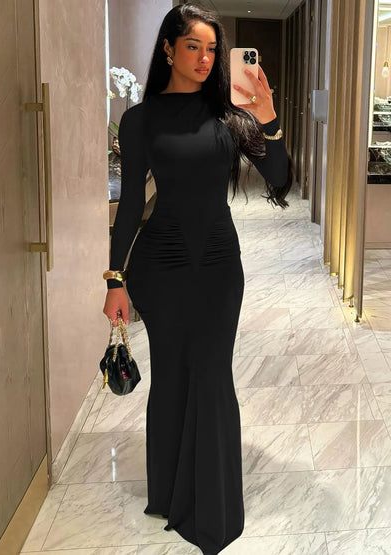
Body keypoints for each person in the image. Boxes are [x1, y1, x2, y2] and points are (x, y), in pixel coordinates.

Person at [103, 4, 293, 554]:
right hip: (159, 267)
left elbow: (280, 180)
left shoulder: (230, 116)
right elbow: (131, 203)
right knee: (170, 377)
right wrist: (115, 279)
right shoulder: (140, 121)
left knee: (210, 374)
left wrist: (268, 116)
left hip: (217, 266)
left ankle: (211, 506)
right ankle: (167, 493)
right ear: (168, 49)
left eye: (212, 49)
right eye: (194, 47)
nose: (206, 59)